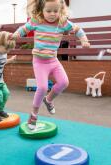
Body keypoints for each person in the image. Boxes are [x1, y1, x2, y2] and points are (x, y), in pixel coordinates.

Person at [12, 0, 90, 129]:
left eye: (56, 11)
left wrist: (84, 40)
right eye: (48, 11)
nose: (52, 14)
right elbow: (23, 29)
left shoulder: (62, 22)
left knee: (64, 82)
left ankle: (48, 100)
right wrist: (15, 35)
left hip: (53, 61)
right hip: (39, 61)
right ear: (42, 10)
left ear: (60, 11)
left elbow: (78, 30)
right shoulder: (37, 21)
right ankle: (33, 115)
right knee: (42, 87)